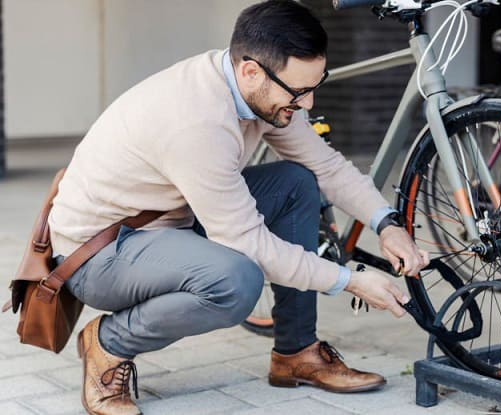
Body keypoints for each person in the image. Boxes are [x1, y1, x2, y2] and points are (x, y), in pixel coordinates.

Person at [48, 1, 429, 414]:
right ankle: (109, 342)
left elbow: (325, 166)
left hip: (169, 223)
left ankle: (295, 353)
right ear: (251, 71)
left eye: (316, 86)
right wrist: (349, 280)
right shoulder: (198, 122)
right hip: (99, 253)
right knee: (236, 280)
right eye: (300, 91)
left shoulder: (259, 90)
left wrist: (387, 224)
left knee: (296, 182)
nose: (309, 103)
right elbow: (246, 241)